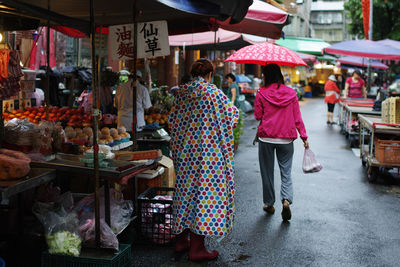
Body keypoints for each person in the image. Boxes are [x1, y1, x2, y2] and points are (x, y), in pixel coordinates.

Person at [168, 58, 238, 261]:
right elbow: (231, 117)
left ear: (192, 73)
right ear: (210, 74)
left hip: (184, 154)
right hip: (208, 155)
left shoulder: (181, 93)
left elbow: (172, 121)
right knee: (203, 196)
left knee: (184, 193)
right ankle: (197, 248)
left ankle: (181, 241)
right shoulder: (213, 93)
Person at [254, 63, 309, 221]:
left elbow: (258, 116)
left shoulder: (261, 93)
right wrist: (304, 137)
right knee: (286, 172)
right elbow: (297, 118)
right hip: (286, 139)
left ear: (266, 76)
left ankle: (269, 203)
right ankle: (286, 200)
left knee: (267, 173)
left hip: (266, 138)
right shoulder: (292, 93)